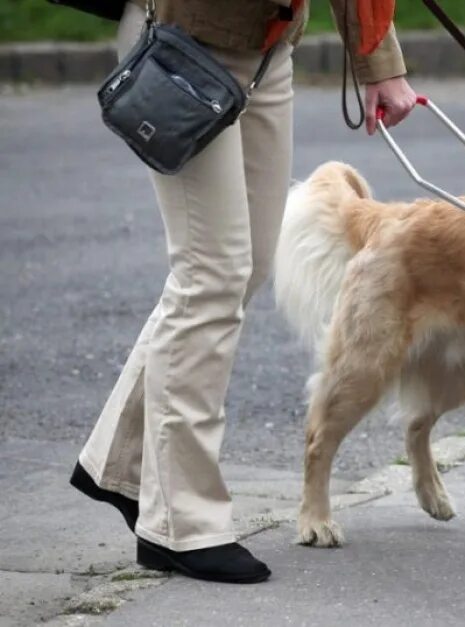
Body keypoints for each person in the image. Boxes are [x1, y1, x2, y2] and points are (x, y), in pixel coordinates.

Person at [69, 0, 416, 584]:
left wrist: (378, 61)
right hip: (183, 38)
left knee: (247, 264)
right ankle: (181, 524)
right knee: (210, 273)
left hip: (267, 47)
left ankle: (123, 465)